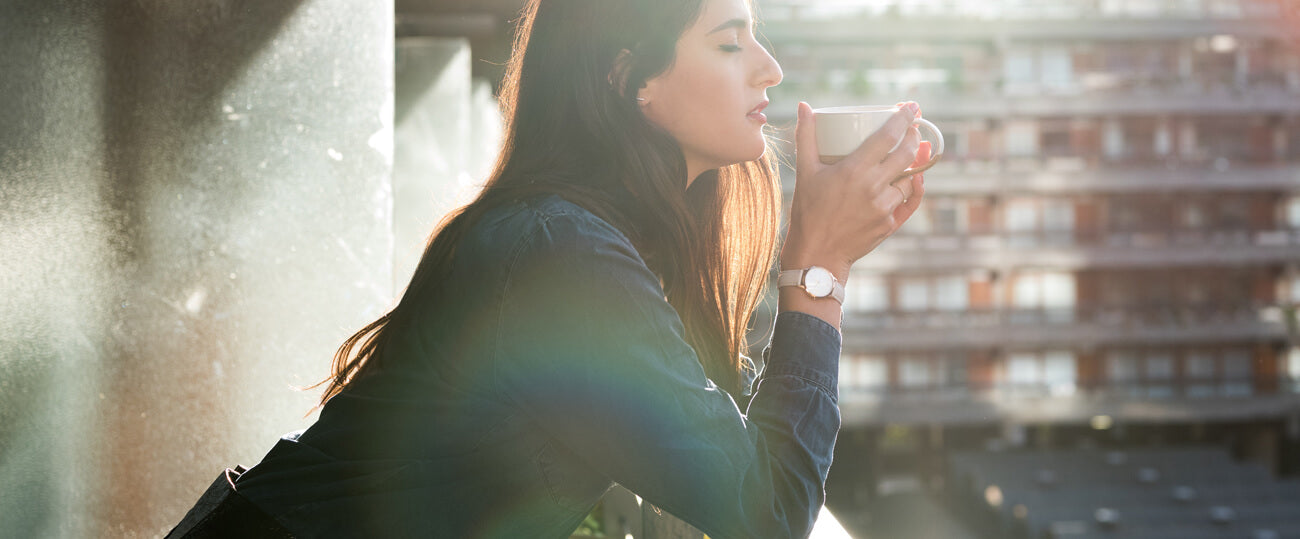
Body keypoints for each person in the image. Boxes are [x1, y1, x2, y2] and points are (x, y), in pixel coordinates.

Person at [167, 0, 930, 536]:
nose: (769, 67)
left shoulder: (578, 238)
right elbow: (763, 510)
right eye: (731, 42)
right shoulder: (560, 254)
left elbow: (718, 457)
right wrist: (818, 270)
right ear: (632, 78)